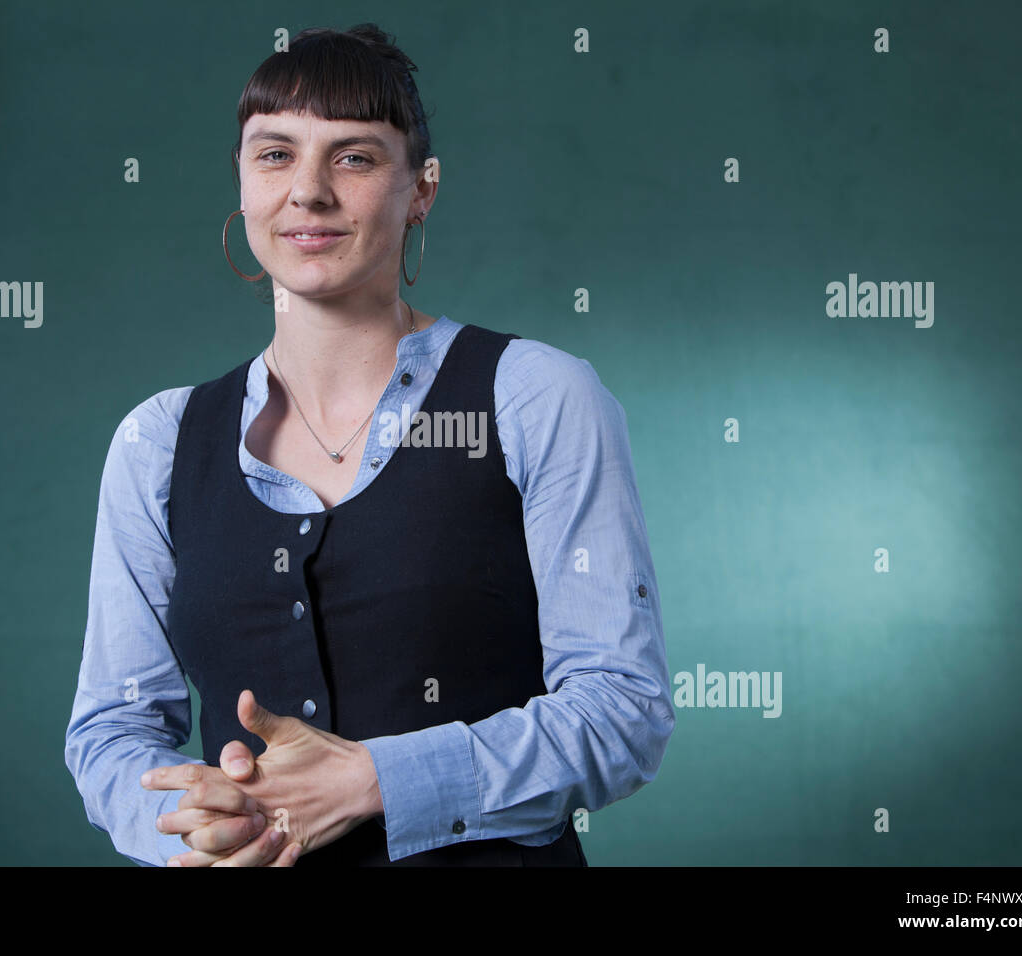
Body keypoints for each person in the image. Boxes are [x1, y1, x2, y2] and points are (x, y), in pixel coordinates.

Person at [63, 22, 674, 867]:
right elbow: (115, 728)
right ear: (242, 184)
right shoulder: (157, 441)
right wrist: (198, 822)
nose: (307, 192)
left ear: (420, 190)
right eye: (274, 154)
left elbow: (622, 709)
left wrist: (373, 780)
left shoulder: (536, 395)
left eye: (353, 158)